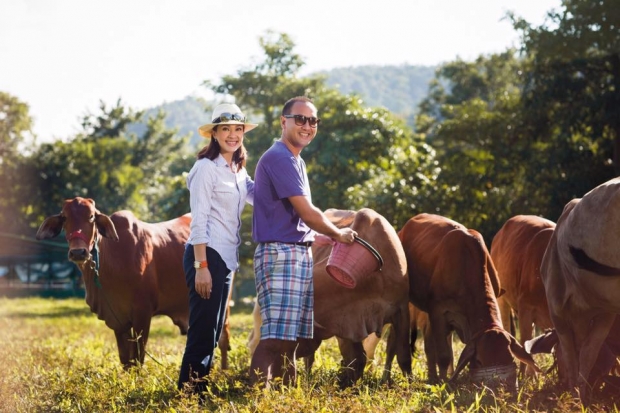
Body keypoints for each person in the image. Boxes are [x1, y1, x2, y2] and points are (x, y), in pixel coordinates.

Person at [250, 96, 357, 386]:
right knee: (274, 339)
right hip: (281, 253)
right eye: (300, 119)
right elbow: (308, 213)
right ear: (283, 121)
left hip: (296, 253)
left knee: (290, 342)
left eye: (313, 121)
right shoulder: (279, 158)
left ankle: (287, 398)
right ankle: (255, 399)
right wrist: (338, 234)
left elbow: (305, 215)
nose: (307, 126)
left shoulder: (295, 159)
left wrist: (321, 232)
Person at [178, 103, 258, 395]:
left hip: (226, 258)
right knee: (202, 332)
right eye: (226, 129)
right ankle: (189, 394)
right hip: (206, 255)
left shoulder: (236, 169)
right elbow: (198, 221)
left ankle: (201, 386)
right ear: (214, 134)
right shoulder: (205, 169)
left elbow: (256, 194)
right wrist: (201, 267)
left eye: (238, 129)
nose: (233, 135)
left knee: (213, 332)